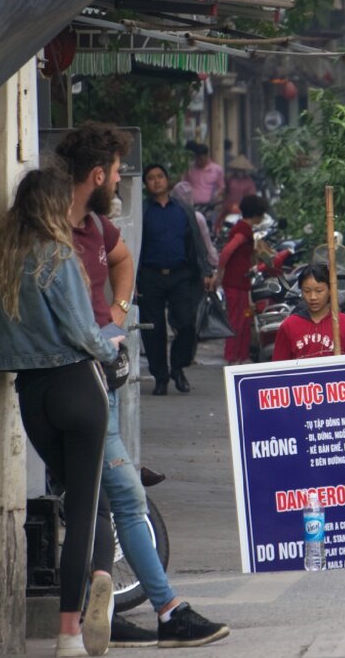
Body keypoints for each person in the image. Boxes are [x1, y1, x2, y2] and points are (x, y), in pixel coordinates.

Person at [56, 127, 229, 649]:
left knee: (99, 504)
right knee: (124, 498)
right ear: (97, 175)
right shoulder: (53, 231)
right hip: (70, 380)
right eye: (114, 171)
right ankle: (169, 611)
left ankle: (95, 614)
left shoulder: (94, 226)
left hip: (96, 378)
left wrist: (119, 313)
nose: (119, 180)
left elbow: (121, 260)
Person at [0, 168, 122, 658]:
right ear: (52, 207)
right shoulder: (58, 257)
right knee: (84, 509)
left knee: (84, 493)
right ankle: (69, 633)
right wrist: (111, 346)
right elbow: (84, 332)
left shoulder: (1, 259)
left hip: (32, 395)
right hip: (77, 387)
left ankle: (101, 575)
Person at [138, 164, 215, 396]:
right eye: (151, 178)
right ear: (146, 184)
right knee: (153, 330)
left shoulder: (182, 209)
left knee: (186, 324)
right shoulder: (143, 211)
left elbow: (197, 242)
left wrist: (206, 271)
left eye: (160, 176)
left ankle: (178, 368)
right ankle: (160, 377)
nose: (156, 181)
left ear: (167, 180)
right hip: (150, 276)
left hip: (181, 275)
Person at [210, 194, 269, 364]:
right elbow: (227, 251)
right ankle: (232, 357)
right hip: (234, 283)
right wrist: (219, 274)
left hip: (241, 283)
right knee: (236, 321)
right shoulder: (243, 230)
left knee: (244, 320)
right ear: (258, 213)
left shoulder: (245, 229)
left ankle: (242, 356)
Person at [272, 263, 345, 360]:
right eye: (307, 291)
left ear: (330, 290)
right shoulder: (289, 326)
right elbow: (279, 367)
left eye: (319, 291)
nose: (313, 297)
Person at [182, 141, 225, 210]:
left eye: (201, 159)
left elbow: (221, 187)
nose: (199, 162)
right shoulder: (190, 168)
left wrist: (216, 194)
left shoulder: (217, 169)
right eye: (197, 159)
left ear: (207, 156)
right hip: (192, 206)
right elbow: (184, 185)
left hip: (209, 207)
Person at [221, 155, 259, 221]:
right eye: (238, 170)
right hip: (229, 208)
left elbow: (252, 196)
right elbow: (225, 192)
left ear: (244, 171)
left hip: (244, 209)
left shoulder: (249, 181)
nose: (240, 172)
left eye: (241, 170)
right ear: (235, 170)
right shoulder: (229, 179)